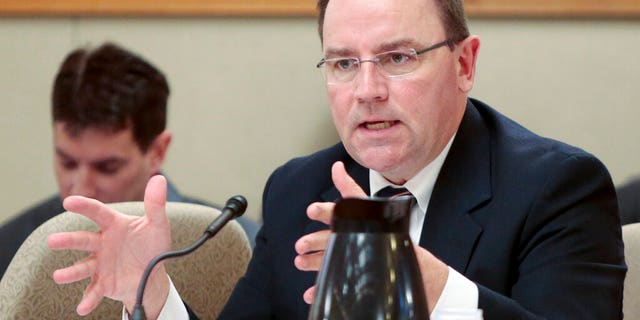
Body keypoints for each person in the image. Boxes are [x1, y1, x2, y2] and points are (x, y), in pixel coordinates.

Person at [47, 0, 626, 319]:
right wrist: (154, 295)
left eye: (397, 57)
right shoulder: (300, 189)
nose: (367, 90)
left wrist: (430, 287)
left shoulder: (558, 187)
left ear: (464, 65)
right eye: (343, 64)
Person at [0, 42, 259, 279]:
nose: (80, 190)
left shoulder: (239, 250)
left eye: (107, 168)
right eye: (67, 163)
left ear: (158, 151)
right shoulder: (12, 248)